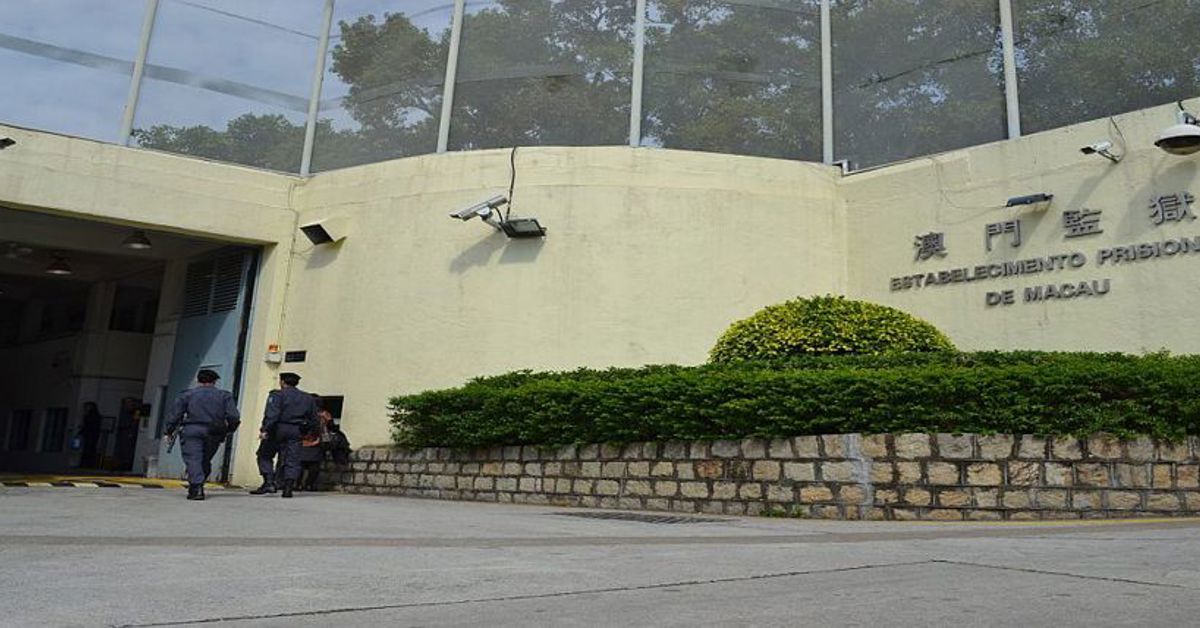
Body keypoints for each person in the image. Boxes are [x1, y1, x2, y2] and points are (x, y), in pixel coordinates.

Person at [165, 369, 241, 501]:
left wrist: (169, 431)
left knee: (194, 459)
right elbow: (234, 417)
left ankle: (196, 488)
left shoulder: (187, 395)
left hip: (192, 430)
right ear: (215, 381)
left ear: (197, 380)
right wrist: (229, 430)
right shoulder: (224, 396)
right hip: (214, 432)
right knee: (205, 460)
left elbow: (175, 414)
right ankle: (198, 483)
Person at [250, 372, 315, 498]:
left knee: (264, 454)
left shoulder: (277, 395)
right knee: (292, 459)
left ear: (282, 382)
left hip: (277, 428)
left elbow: (272, 414)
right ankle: (288, 488)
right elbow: (313, 418)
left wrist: (265, 429)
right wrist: (306, 431)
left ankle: (269, 482)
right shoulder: (307, 398)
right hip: (296, 430)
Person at [297, 395, 332, 491]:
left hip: (301, 443)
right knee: (314, 466)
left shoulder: (302, 414)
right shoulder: (324, 415)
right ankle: (309, 485)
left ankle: (298, 484)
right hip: (316, 443)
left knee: (300, 465)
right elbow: (328, 428)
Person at [77, 402, 103, 468]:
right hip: (93, 435)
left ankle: (86, 464)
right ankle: (89, 464)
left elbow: (88, 426)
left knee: (87, 449)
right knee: (90, 449)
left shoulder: (90, 416)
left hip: (90, 435)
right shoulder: (96, 416)